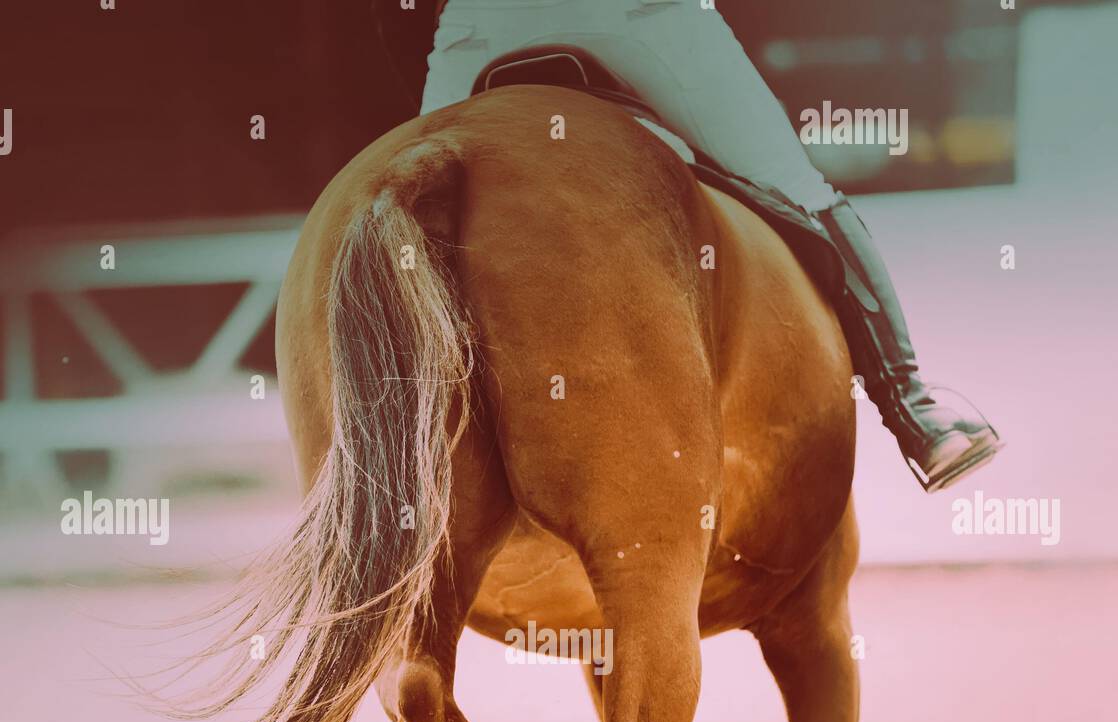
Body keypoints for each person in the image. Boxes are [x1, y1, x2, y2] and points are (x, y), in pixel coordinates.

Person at [380, 0, 1002, 493]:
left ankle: (383, 465)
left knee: (402, 230)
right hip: (647, 21)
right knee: (801, 190)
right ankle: (916, 415)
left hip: (475, 29)